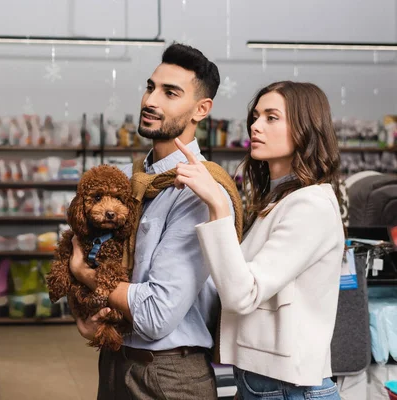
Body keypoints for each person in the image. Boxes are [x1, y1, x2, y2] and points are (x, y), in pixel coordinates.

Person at [68, 43, 234, 399]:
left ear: (201, 109)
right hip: (115, 361)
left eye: (170, 93)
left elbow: (157, 313)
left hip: (168, 376)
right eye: (150, 87)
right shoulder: (130, 181)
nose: (150, 101)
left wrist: (85, 274)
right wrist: (85, 315)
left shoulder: (198, 191)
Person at [175, 81, 344, 399]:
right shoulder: (277, 200)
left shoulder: (311, 205)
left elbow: (242, 294)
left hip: (289, 389)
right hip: (264, 384)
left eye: (271, 117)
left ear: (305, 127)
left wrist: (218, 204)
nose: (256, 126)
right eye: (255, 117)